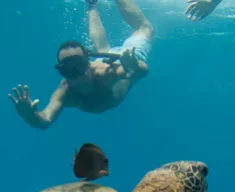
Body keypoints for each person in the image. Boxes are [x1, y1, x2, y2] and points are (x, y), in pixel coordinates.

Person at [8, 0, 153, 130]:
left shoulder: (104, 73)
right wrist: (28, 115)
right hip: (115, 60)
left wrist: (131, 65)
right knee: (103, 50)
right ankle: (92, 5)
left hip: (126, 58)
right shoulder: (65, 92)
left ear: (88, 64)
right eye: (67, 69)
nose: (75, 74)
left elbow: (142, 71)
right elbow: (45, 120)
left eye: (79, 66)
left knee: (145, 29)